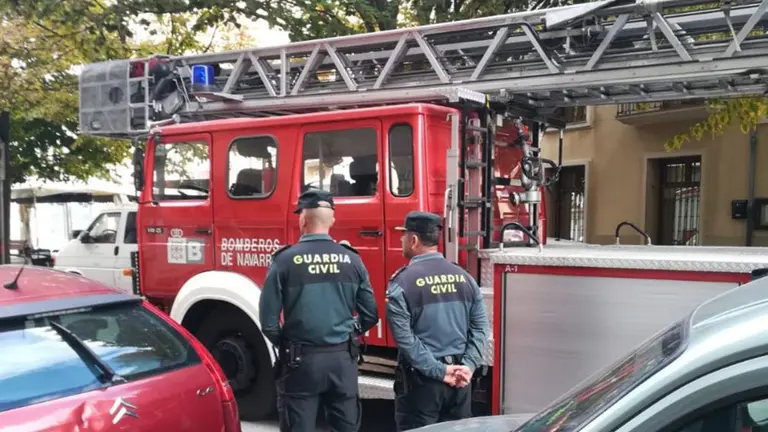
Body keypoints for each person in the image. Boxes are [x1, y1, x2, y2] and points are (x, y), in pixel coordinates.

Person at [259, 189, 379, 432]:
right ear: (332, 221)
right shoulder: (352, 260)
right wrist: (350, 331)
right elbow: (370, 314)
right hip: (342, 361)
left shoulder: (284, 261)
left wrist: (289, 343)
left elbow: (268, 322)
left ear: (302, 219)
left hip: (300, 361)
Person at [386, 211, 491, 431]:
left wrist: (440, 371)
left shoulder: (402, 282)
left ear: (413, 240)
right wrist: (468, 366)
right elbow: (480, 328)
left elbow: (406, 341)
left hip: (422, 386)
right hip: (461, 384)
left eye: (403, 235)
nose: (401, 240)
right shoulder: (465, 278)